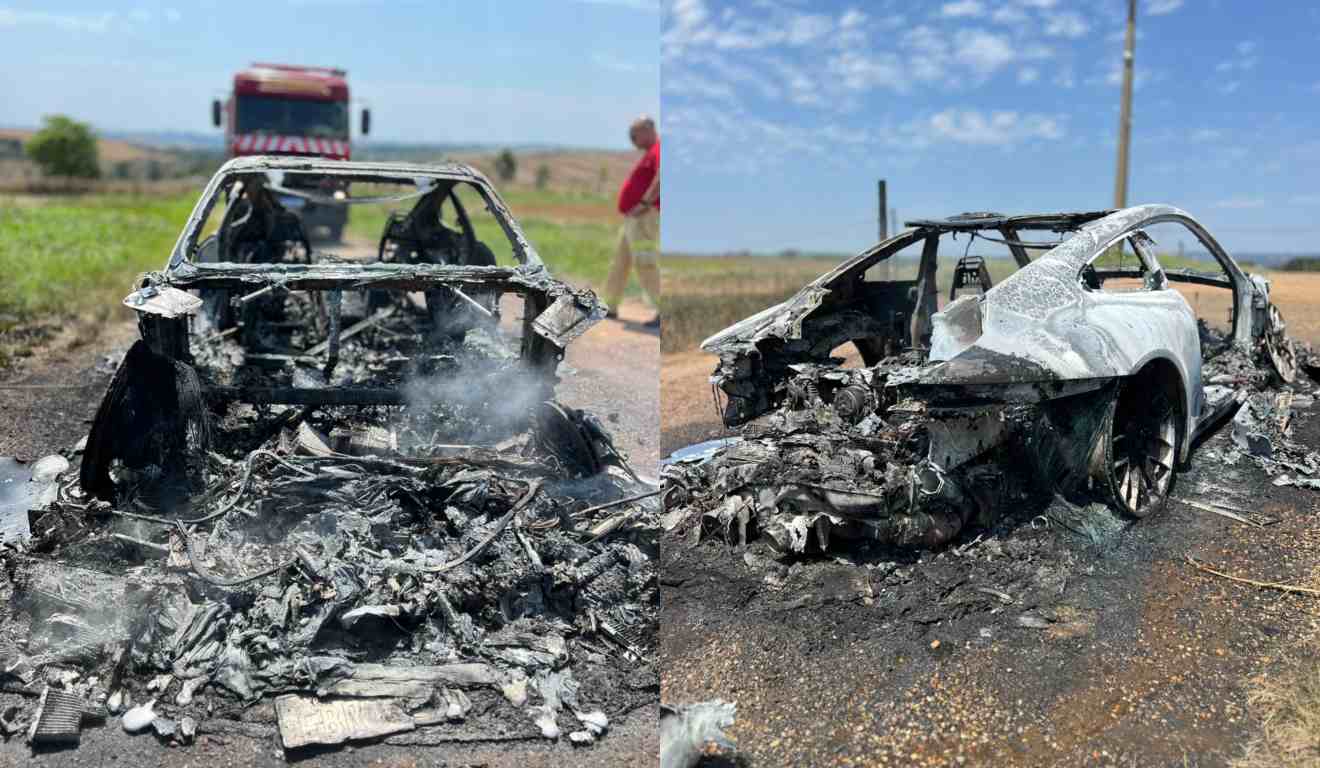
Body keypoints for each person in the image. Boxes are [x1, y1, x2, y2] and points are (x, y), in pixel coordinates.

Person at [604, 115, 661, 328]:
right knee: (620, 262)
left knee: (645, 262)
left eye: (634, 134)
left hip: (644, 216)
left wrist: (645, 202)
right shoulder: (651, 152)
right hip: (633, 218)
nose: (631, 139)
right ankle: (609, 306)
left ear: (648, 129)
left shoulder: (659, 149)